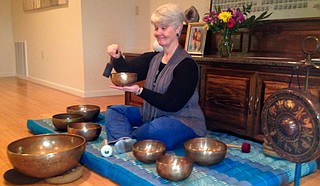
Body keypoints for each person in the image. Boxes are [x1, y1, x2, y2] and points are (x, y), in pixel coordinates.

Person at [105, 4, 206, 153]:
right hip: (151, 114)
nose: (158, 32)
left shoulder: (187, 65)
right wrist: (117, 57)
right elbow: (128, 71)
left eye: (163, 28)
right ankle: (126, 140)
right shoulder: (153, 58)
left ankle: (128, 136)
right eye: (156, 28)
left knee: (157, 130)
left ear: (178, 28)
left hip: (182, 120)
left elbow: (171, 104)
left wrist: (140, 91)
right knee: (114, 111)